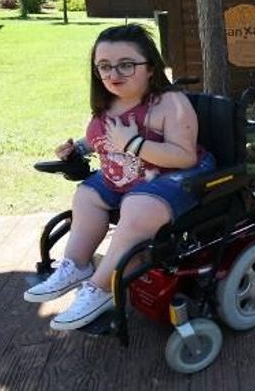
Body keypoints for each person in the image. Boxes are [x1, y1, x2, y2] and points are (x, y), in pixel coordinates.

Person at [24, 24, 216, 330]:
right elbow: (105, 138)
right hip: (126, 175)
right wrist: (80, 147)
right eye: (104, 66)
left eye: (126, 65)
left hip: (175, 175)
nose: (114, 74)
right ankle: (76, 266)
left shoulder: (170, 103)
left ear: (150, 67)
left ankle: (101, 288)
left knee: (137, 207)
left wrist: (133, 144)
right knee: (87, 194)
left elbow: (184, 156)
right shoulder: (109, 102)